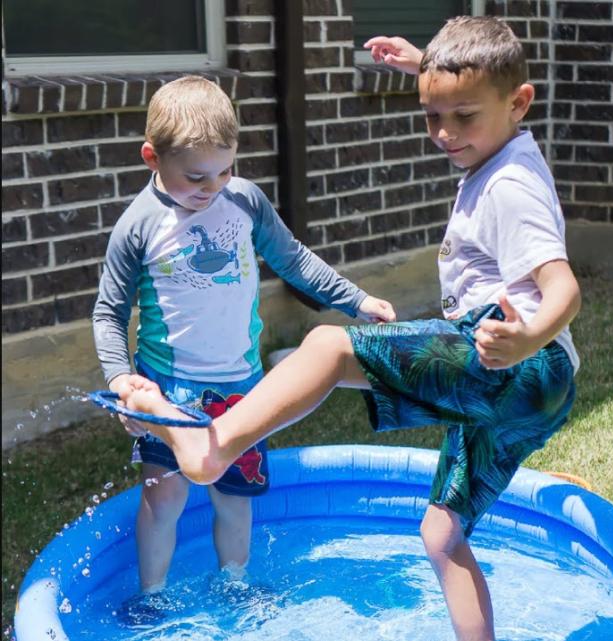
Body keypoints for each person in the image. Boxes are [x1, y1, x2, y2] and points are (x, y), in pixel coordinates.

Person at [116, 17, 581, 641]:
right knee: (441, 533)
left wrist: (527, 339)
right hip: (533, 388)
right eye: (431, 115)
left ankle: (214, 446)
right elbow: (477, 92)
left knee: (329, 348)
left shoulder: (512, 183)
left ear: (518, 103)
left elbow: (565, 291)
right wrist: (427, 65)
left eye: (461, 116)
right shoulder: (503, 142)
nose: (444, 133)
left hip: (521, 359)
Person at [92, 75, 396, 598]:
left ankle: (234, 588)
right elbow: (108, 313)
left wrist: (357, 300)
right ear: (152, 158)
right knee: (163, 499)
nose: (213, 187)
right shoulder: (139, 226)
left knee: (235, 499)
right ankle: (152, 597)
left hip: (242, 389)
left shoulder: (244, 202)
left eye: (226, 169)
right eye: (196, 176)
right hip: (166, 391)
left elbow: (292, 258)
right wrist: (122, 380)